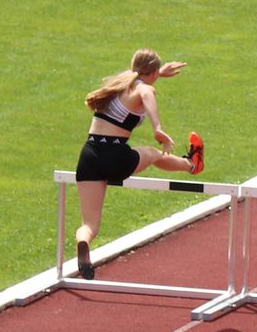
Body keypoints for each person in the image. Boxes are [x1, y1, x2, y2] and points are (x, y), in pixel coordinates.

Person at [72, 50, 204, 279]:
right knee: (153, 153)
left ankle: (83, 242)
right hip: (115, 156)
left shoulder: (119, 82)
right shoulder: (144, 88)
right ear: (152, 72)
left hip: (89, 155)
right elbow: (146, 94)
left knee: (90, 225)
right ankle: (192, 165)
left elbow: (139, 79)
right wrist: (157, 128)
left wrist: (159, 73)